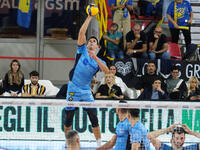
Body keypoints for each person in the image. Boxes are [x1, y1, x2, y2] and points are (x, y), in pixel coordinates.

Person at [64, 15, 109, 147]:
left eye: (94, 41)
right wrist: (89, 17)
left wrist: (95, 58)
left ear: (97, 46)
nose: (91, 42)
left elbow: (107, 71)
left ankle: (99, 144)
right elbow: (81, 33)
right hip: (73, 88)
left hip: (85, 91)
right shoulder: (82, 50)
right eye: (90, 40)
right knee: (68, 118)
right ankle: (68, 143)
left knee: (93, 117)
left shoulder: (99, 61)